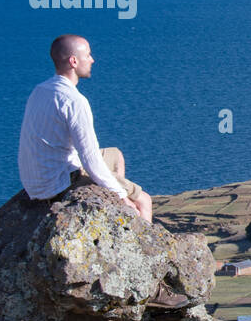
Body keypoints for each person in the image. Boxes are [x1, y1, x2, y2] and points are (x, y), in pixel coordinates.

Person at [18, 34, 153, 222]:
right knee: (144, 201)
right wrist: (120, 193)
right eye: (87, 55)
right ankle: (135, 235)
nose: (92, 60)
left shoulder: (40, 91)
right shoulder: (74, 101)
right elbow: (89, 158)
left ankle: (112, 201)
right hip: (60, 182)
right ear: (73, 61)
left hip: (35, 183)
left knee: (115, 155)